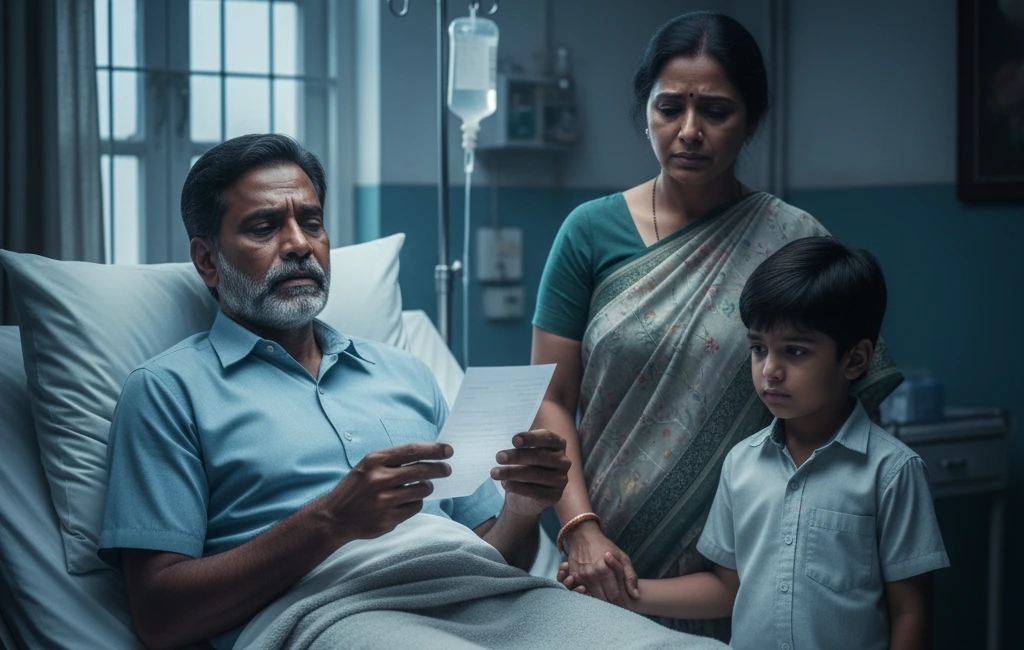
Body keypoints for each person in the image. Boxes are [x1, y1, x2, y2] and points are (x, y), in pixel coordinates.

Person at [98, 134, 723, 650]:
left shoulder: (403, 374)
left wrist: (524, 507)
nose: (298, 245)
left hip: (494, 599)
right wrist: (331, 521)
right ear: (207, 262)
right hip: (335, 617)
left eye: (310, 222)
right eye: (264, 226)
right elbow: (159, 617)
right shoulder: (167, 393)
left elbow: (498, 554)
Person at [530, 11, 902, 639]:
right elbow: (550, 396)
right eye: (669, 108)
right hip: (597, 558)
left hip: (747, 561)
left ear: (751, 119)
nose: (690, 132)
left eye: (717, 111)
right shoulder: (589, 233)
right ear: (644, 111)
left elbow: (849, 411)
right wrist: (581, 530)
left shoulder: (792, 240)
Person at [560, 236, 949, 650]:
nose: (770, 371)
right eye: (758, 349)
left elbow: (911, 610)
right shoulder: (741, 464)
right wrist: (621, 592)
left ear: (854, 360)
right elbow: (728, 589)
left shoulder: (891, 473)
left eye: (795, 352)